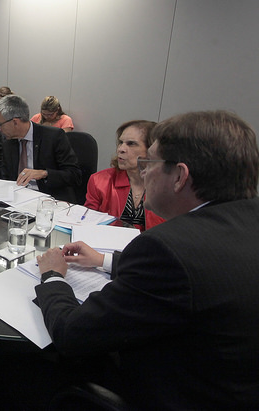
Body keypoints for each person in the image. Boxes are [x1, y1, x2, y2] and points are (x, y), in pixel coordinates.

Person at [34, 110, 259, 409]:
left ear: (179, 176)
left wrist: (51, 276)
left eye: (148, 163)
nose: (142, 172)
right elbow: (189, 280)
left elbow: (71, 333)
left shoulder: (167, 248)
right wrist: (105, 261)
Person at [0, 95, 81, 203]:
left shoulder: (53, 137)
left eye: (0, 124)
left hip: (49, 200)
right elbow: (5, 175)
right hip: (17, 200)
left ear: (15, 122)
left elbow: (74, 175)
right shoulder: (8, 141)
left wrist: (44, 173)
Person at [85, 120, 164, 231]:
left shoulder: (167, 186)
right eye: (121, 142)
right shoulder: (99, 181)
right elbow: (87, 224)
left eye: (131, 144)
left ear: (152, 149)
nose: (120, 149)